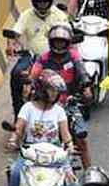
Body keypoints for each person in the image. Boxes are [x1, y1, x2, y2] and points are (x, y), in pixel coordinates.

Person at [6, 70, 82, 186]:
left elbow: (65, 135)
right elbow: (19, 128)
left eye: (56, 91)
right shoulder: (27, 108)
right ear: (41, 89)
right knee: (15, 172)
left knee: (71, 184)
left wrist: (70, 146)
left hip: (55, 154)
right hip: (30, 153)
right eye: (51, 90)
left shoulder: (59, 111)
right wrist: (13, 140)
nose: (54, 94)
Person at [4, 0, 69, 124]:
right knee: (16, 75)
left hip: (55, 55)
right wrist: (10, 45)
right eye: (39, 3)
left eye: (45, 2)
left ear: (50, 1)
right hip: (31, 56)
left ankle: (72, 112)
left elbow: (67, 32)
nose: (42, 6)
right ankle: (18, 116)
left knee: (72, 73)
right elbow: (15, 33)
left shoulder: (59, 15)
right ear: (34, 2)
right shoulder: (26, 15)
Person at [29, 24, 94, 168]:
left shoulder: (73, 56)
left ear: (67, 43)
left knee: (81, 138)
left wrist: (86, 88)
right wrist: (29, 84)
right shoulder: (44, 58)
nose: (59, 45)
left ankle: (89, 172)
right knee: (35, 135)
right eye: (56, 41)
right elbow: (33, 74)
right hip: (47, 103)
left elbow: (82, 72)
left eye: (62, 41)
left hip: (69, 102)